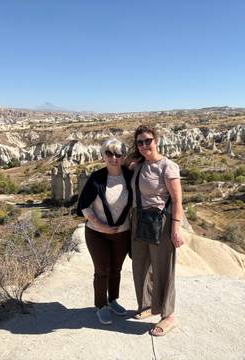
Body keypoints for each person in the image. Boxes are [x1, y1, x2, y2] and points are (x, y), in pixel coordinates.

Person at [129, 125, 184, 336]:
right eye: (140, 142)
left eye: (148, 141)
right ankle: (149, 305)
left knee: (162, 268)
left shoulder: (167, 166)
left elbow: (178, 199)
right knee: (140, 265)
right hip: (139, 219)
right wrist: (135, 161)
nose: (144, 145)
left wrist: (176, 229)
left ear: (156, 141)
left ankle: (168, 315)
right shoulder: (140, 164)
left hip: (160, 222)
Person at [76, 138, 133, 325]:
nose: (114, 158)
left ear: (124, 157)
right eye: (109, 154)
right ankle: (101, 306)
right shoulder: (96, 178)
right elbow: (84, 206)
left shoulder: (130, 177)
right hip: (96, 233)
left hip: (122, 233)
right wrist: (100, 225)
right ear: (103, 156)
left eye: (118, 154)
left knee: (116, 269)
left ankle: (112, 300)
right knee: (102, 270)